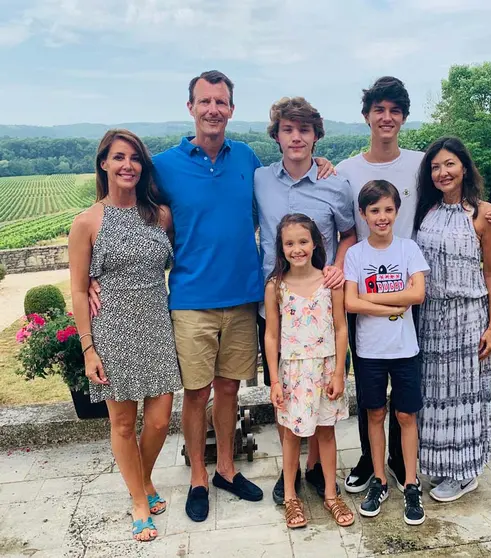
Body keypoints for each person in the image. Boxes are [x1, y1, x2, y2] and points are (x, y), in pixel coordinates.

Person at [87, 70, 335, 523]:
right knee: (195, 394)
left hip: (242, 298)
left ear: (231, 110)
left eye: (221, 102)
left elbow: (287, 176)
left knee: (229, 391)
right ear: (191, 108)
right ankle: (198, 477)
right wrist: (91, 275)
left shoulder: (246, 159)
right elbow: (125, 209)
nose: (213, 110)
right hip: (190, 301)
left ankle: (224, 469)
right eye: (205, 101)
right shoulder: (162, 166)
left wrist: (323, 165)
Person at [336, 76, 491, 495]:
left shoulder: (422, 167)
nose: (387, 117)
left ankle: (421, 466)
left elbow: (487, 262)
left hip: (434, 301)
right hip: (395, 300)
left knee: (434, 394)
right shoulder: (345, 170)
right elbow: (342, 225)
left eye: (395, 110)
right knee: (382, 387)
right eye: (379, 109)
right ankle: (375, 462)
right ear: (366, 116)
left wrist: (487, 210)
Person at [69, 129, 182, 542]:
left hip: (156, 325)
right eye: (118, 157)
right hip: (112, 331)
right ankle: (139, 499)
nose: (127, 165)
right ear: (104, 163)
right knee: (122, 423)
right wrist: (88, 348)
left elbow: (174, 262)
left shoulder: (161, 216)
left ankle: (144, 477)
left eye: (134, 158)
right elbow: (79, 289)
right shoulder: (86, 222)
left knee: (157, 420)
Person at [254, 97, 356, 505]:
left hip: (322, 309)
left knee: (323, 397)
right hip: (279, 307)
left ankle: (315, 469)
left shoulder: (336, 183)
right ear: (277, 135)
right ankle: (291, 472)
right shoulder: (260, 179)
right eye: (288, 130)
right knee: (287, 397)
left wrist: (339, 267)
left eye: (304, 130)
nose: (296, 137)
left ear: (316, 135)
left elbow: (348, 234)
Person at [413, 136, 491, 502]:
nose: (442, 172)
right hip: (430, 316)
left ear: (464, 167)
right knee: (434, 393)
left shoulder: (484, 214)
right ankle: (443, 463)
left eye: (449, 164)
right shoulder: (426, 211)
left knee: (464, 393)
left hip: (467, 316)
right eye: (435, 167)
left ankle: (465, 472)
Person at [344, 180, 430, 526]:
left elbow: (418, 295)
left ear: (397, 211)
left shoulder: (408, 250)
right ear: (363, 215)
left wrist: (372, 300)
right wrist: (392, 306)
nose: (382, 217)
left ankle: (411, 482)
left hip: (404, 349)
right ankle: (378, 480)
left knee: (407, 416)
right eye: (374, 210)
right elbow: (351, 302)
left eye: (388, 210)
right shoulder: (356, 254)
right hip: (370, 351)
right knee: (375, 414)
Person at [264, 214, 354, 529]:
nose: (297, 249)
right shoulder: (276, 286)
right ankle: (291, 496)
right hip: (292, 371)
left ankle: (331, 493)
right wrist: (274, 379)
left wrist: (340, 372)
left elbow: (342, 329)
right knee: (290, 435)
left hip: (326, 367)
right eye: (290, 243)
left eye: (303, 241)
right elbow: (271, 335)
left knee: (326, 431)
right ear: (281, 247)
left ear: (314, 242)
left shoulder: (331, 282)